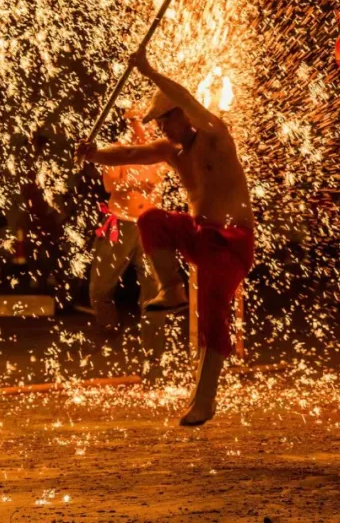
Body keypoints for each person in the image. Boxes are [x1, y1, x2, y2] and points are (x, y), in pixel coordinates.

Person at [76, 44, 254, 426]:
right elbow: (125, 156)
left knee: (211, 314)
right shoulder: (171, 149)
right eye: (157, 123)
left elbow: (187, 96)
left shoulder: (216, 135)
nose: (160, 129)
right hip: (200, 234)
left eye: (164, 121)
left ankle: (204, 400)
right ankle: (170, 288)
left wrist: (149, 70)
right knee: (152, 220)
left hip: (231, 242)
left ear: (183, 115)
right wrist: (93, 155)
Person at [81, 108, 166, 332]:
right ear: (130, 124)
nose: (144, 128)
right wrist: (136, 185)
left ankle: (153, 342)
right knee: (100, 287)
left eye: (148, 123)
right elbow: (110, 185)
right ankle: (107, 331)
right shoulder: (116, 151)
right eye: (138, 122)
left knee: (154, 288)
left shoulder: (158, 152)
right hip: (121, 223)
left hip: (151, 225)